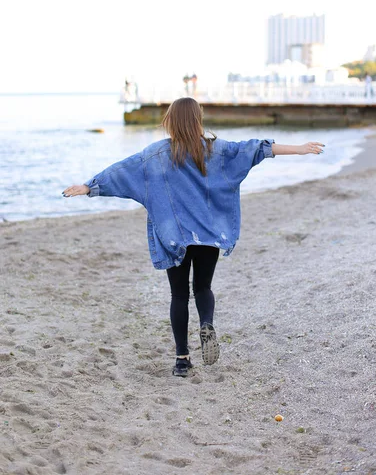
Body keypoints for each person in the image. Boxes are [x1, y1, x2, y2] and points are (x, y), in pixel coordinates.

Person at [62, 98, 325, 377]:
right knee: (202, 289)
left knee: (178, 295)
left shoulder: (156, 155)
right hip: (208, 236)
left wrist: (89, 187)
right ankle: (207, 323)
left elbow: (122, 172)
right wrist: (298, 150)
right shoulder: (217, 150)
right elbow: (255, 149)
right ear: (198, 119)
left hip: (174, 236)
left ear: (170, 121)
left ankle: (182, 360)